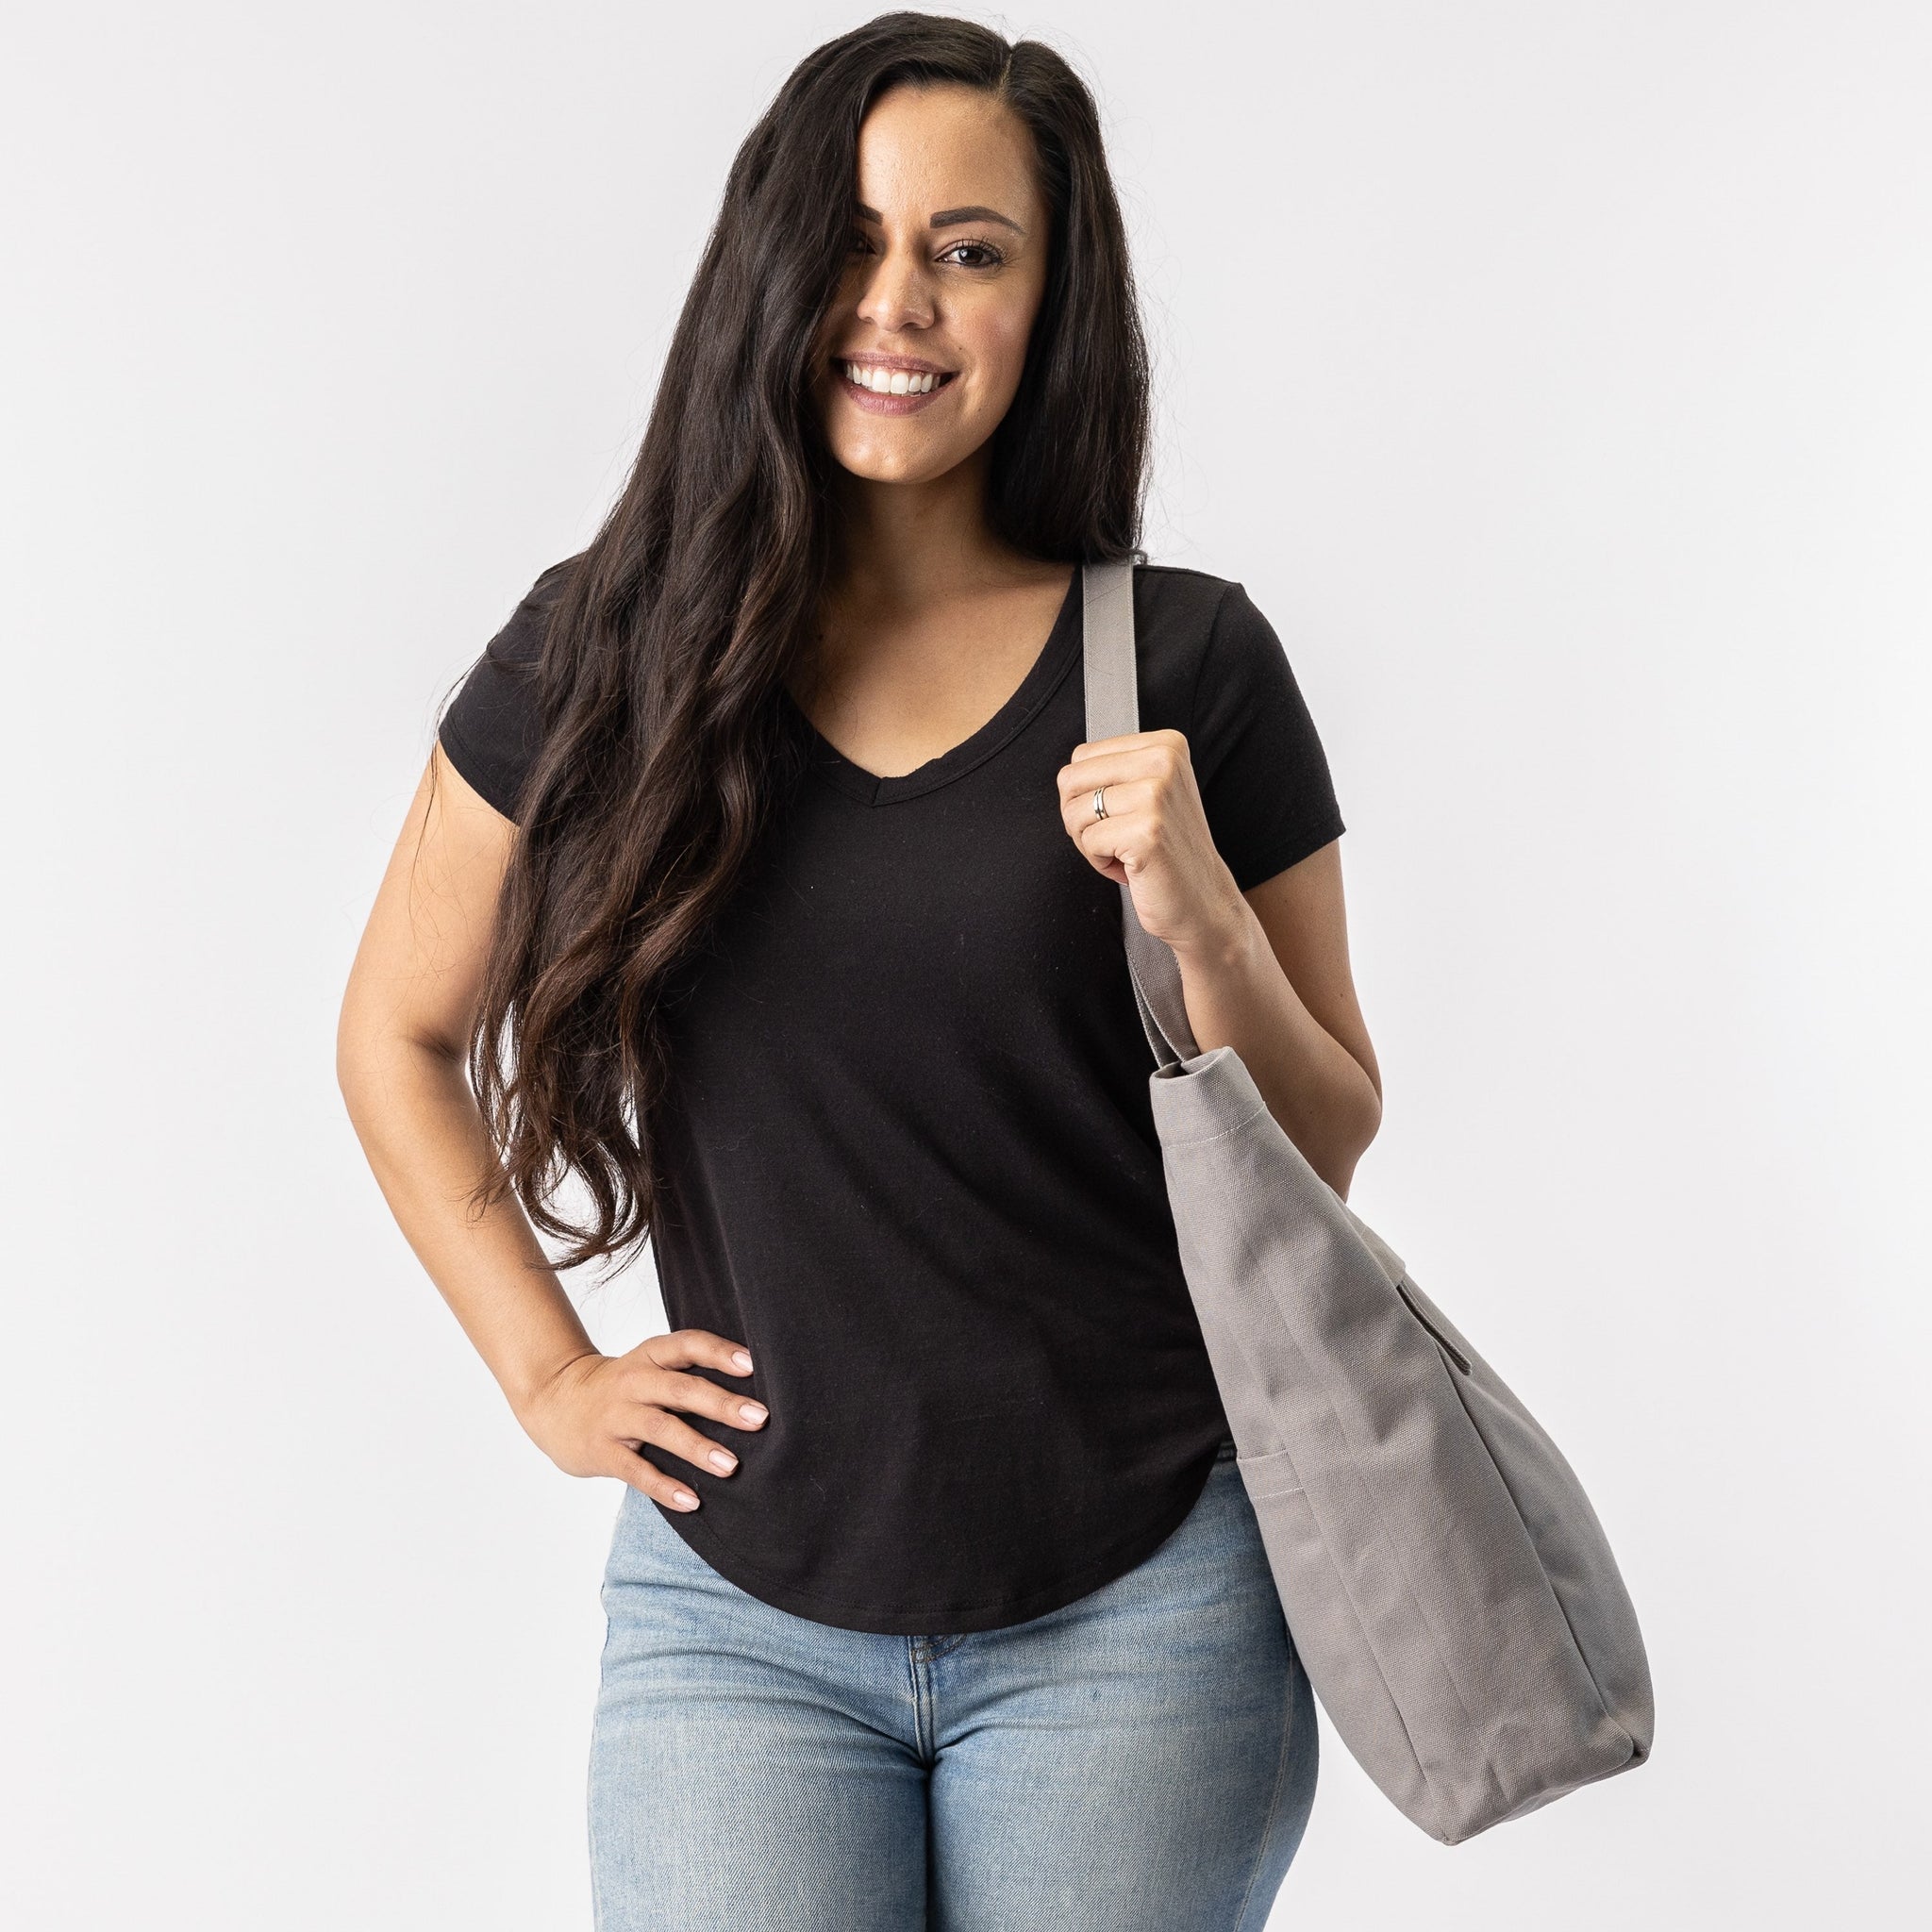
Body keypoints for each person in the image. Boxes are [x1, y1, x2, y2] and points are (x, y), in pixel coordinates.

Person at [337, 13, 1383, 1928]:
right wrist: (548, 1377)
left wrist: (1206, 914)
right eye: (848, 240)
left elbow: (1325, 1139)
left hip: (1144, 1615)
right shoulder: (600, 654)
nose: (894, 302)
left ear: (1051, 297)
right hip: (734, 1626)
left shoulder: (1187, 668)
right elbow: (395, 1032)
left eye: (967, 250)